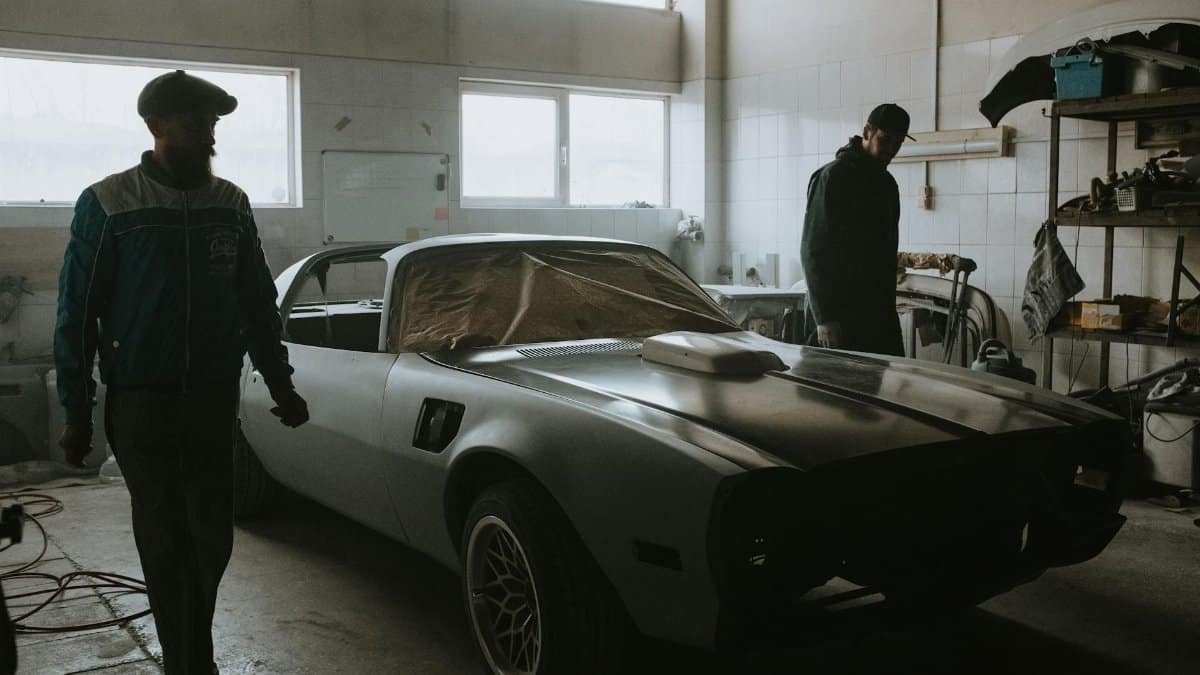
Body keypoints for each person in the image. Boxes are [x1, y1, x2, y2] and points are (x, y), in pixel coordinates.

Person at [54, 70, 309, 674]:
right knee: (166, 537)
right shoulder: (110, 202)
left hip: (209, 401)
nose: (206, 133)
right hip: (142, 403)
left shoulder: (230, 204)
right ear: (155, 125)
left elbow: (255, 304)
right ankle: (190, 660)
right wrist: (75, 412)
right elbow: (77, 312)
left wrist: (281, 383)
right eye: (193, 121)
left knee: (211, 536)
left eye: (212, 122)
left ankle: (191, 649)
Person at [800, 103, 914, 356]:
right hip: (838, 317)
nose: (891, 149)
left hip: (878, 316)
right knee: (836, 392)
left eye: (898, 143)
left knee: (876, 392)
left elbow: (885, 253)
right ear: (867, 132)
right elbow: (813, 250)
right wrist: (824, 317)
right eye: (886, 140)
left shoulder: (887, 184)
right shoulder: (833, 178)